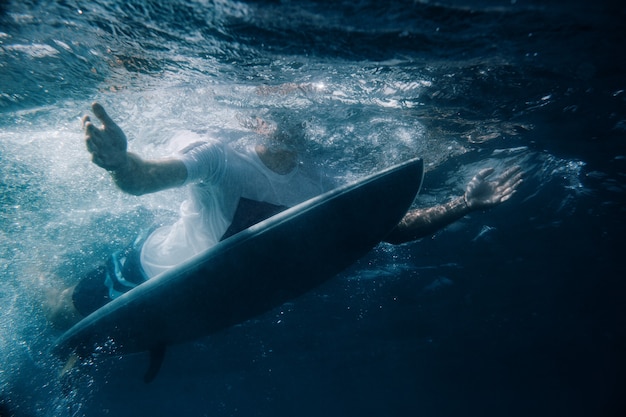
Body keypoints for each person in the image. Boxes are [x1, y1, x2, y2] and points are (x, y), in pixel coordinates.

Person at [45, 102, 522, 329]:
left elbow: (388, 229)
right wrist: (118, 163)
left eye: (301, 115)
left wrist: (465, 204)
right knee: (59, 309)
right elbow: (145, 179)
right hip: (147, 269)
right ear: (255, 117)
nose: (290, 122)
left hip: (203, 292)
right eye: (277, 112)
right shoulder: (219, 156)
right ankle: (29, 276)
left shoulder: (322, 180)